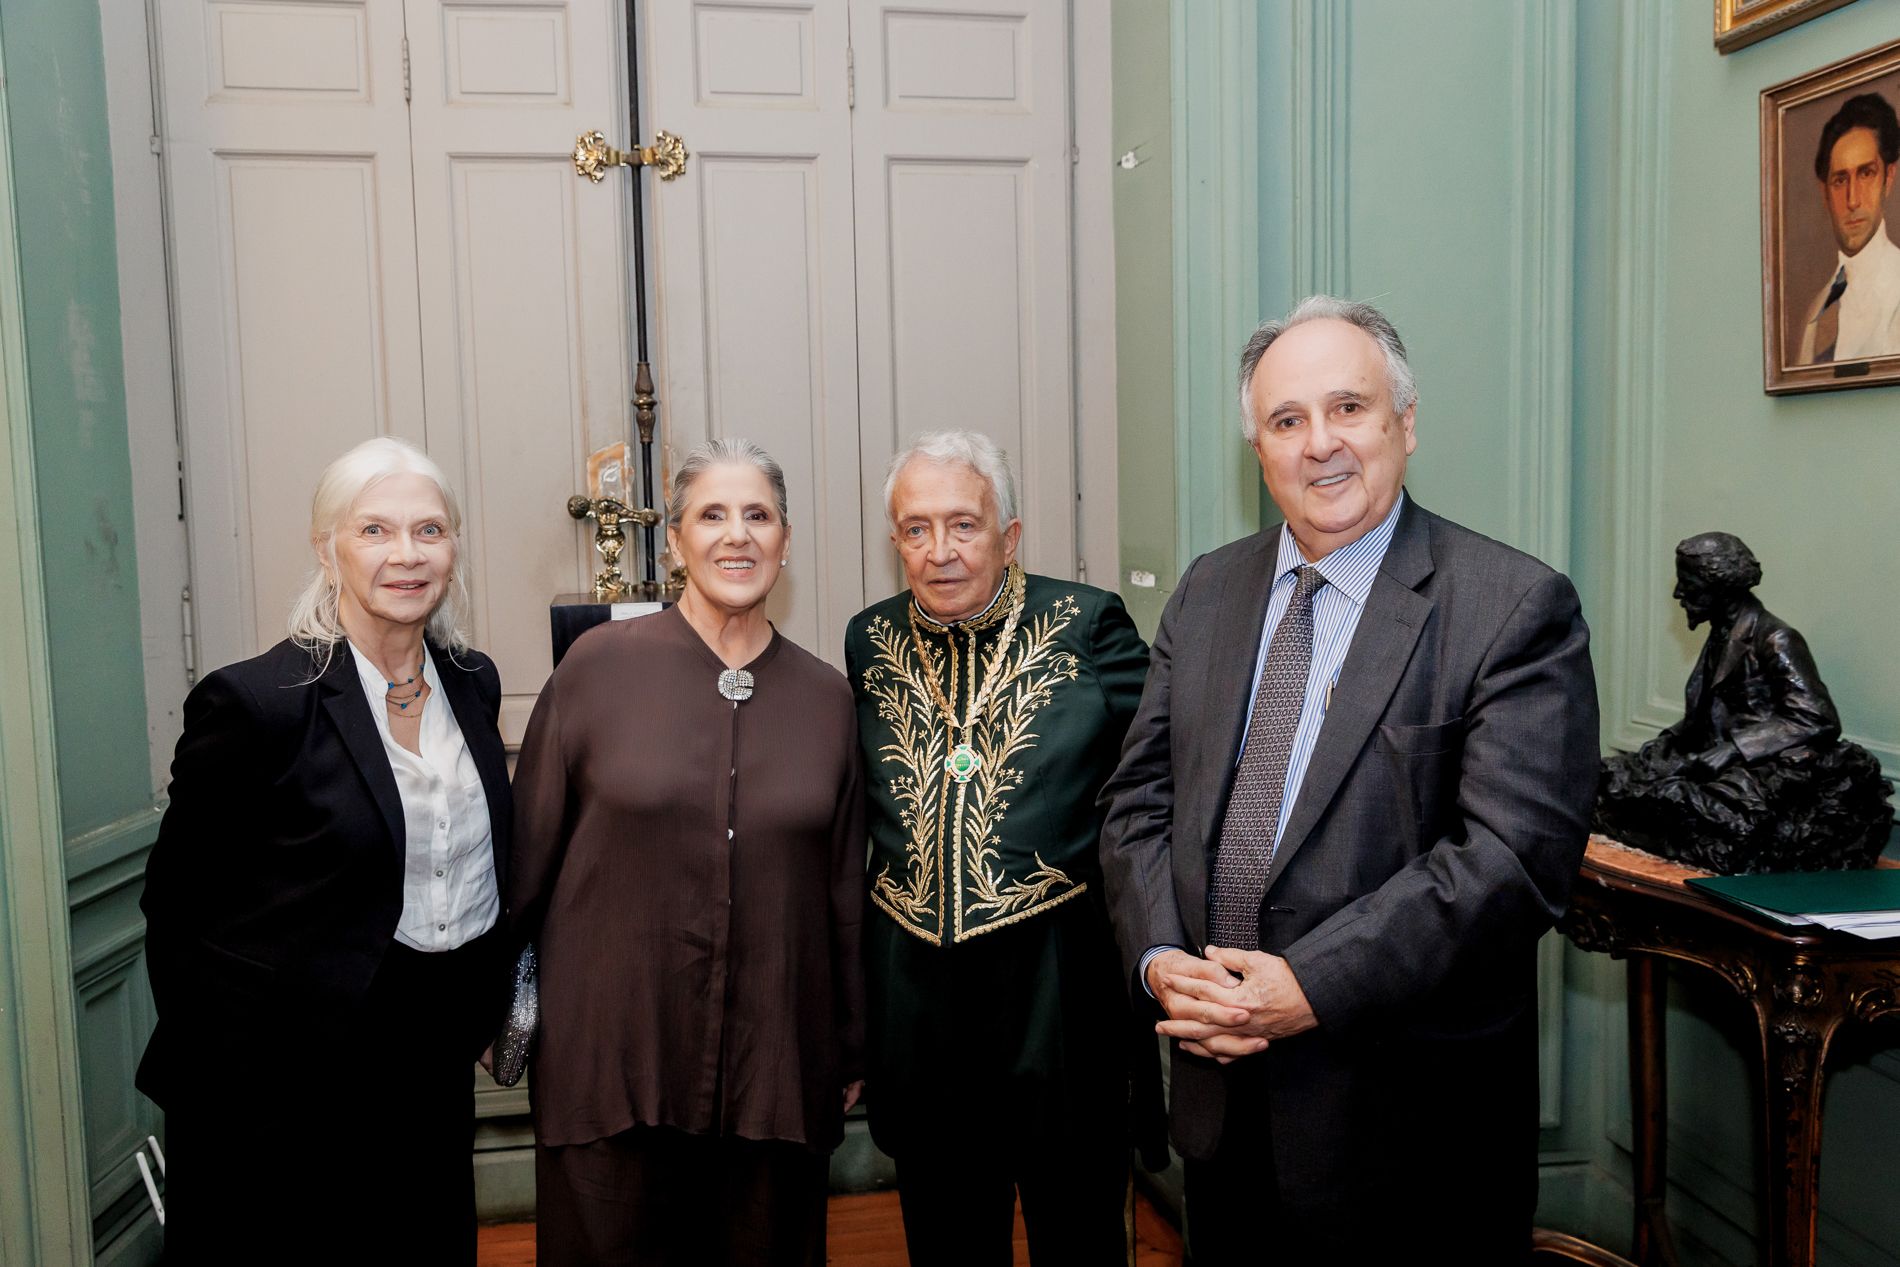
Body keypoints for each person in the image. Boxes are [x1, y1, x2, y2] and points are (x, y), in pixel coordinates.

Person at [1099, 296, 1599, 1262]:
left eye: (1349, 409)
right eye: (1287, 421)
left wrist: (1308, 984)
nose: (1320, 443)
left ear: (1405, 424)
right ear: (1260, 449)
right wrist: (1163, 961)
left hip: (1407, 1131)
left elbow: (1511, 859)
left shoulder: (1511, 606)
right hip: (1222, 1099)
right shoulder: (1207, 591)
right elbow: (1136, 803)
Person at [138, 437, 512, 1264]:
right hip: (282, 1086)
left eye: (429, 530)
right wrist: (237, 1078)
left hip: (427, 1062)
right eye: (374, 530)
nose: (406, 555)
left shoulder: (471, 681)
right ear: (327, 546)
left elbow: (476, 865)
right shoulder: (258, 702)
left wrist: (492, 1001)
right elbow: (175, 907)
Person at [509, 438, 865, 1267]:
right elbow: (526, 859)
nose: (736, 535)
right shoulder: (595, 670)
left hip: (775, 1065)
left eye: (758, 515)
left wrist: (849, 1044)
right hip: (611, 1061)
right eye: (712, 514)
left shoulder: (827, 699)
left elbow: (845, 887)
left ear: (785, 541)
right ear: (674, 542)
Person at [844, 430, 1159, 1267]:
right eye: (915, 529)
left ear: (1009, 536)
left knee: (1080, 1229)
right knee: (946, 1236)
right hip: (918, 1000)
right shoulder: (868, 641)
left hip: (1059, 991)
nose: (939, 551)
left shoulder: (1087, 625)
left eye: (963, 525)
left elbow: (1160, 780)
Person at [1595, 532, 1892, 873]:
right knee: (1611, 777)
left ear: (1720, 588)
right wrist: (1668, 741)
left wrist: (1734, 749)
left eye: (1688, 584)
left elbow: (1817, 716)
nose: (1678, 593)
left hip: (1759, 764)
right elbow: (1710, 710)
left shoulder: (1776, 638)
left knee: (1684, 803)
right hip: (1711, 752)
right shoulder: (1721, 633)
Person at [1798, 91, 1900, 363]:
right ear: (1825, 194)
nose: (1853, 200)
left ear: (1888, 179)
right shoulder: (1818, 310)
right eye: (1840, 180)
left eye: (1866, 174)